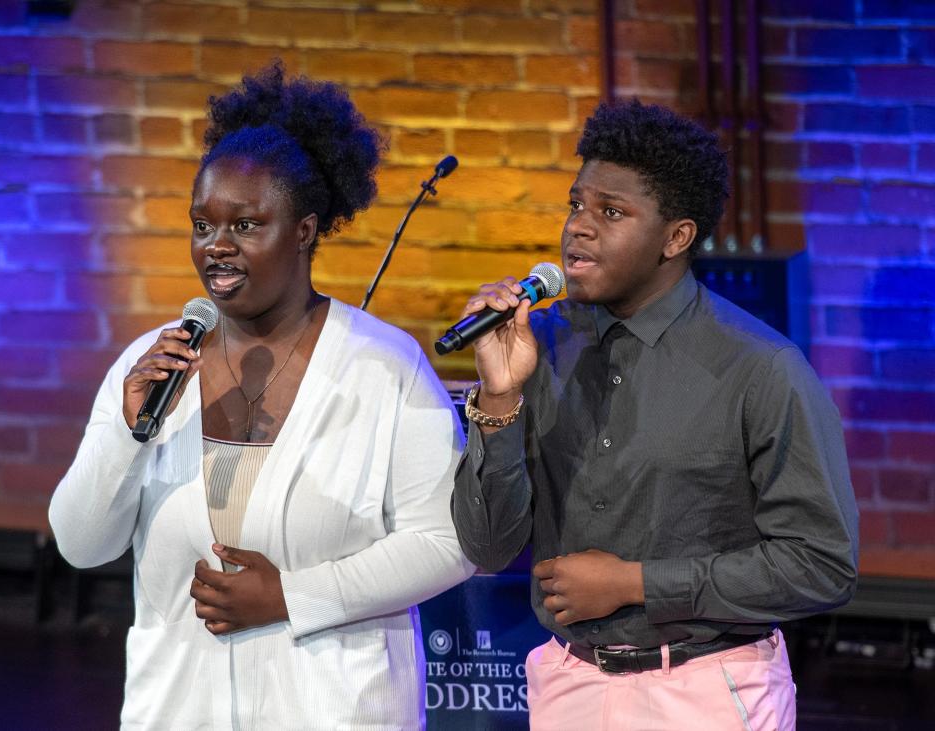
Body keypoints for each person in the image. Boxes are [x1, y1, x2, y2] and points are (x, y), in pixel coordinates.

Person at [49, 63, 475, 730]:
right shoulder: (150, 366)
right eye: (202, 225)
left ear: (303, 230)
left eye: (245, 226)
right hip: (178, 710)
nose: (217, 246)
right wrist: (124, 437)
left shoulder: (385, 366)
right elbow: (80, 544)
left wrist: (292, 597)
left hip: (332, 710)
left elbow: (449, 541)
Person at [451, 99, 858, 730]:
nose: (578, 228)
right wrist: (500, 400)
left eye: (611, 212)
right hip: (570, 682)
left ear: (676, 237)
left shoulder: (761, 368)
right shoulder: (543, 347)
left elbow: (821, 565)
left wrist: (638, 584)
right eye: (576, 204)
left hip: (707, 690)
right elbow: (486, 544)